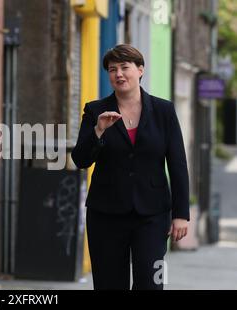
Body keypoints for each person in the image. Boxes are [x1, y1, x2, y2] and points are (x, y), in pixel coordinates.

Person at [71, 44, 189, 290]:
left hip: (153, 214)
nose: (119, 74)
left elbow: (177, 163)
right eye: (113, 70)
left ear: (140, 70)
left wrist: (180, 214)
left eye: (125, 67)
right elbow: (81, 160)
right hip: (106, 214)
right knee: (109, 284)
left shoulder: (163, 110)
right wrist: (98, 130)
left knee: (152, 283)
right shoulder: (95, 110)